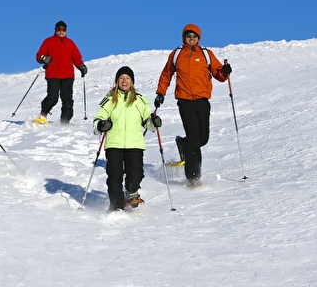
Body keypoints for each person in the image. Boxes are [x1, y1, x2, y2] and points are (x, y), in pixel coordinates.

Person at [154, 24, 232, 186]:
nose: (191, 38)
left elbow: (218, 73)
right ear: (184, 37)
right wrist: (160, 93)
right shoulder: (177, 55)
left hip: (202, 100)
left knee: (203, 138)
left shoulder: (206, 54)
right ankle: (193, 176)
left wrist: (224, 71)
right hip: (185, 101)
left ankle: (183, 143)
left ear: (199, 38)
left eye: (194, 36)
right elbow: (166, 74)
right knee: (195, 139)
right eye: (188, 36)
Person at [93, 66, 162, 212]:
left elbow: (147, 122)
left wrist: (153, 123)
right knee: (114, 177)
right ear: (117, 81)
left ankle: (131, 191)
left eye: (127, 78)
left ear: (132, 81)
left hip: (134, 143)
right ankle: (116, 206)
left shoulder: (140, 100)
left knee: (136, 173)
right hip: (114, 144)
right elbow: (97, 120)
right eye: (121, 78)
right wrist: (101, 125)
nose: (124, 81)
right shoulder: (110, 100)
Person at [36, 20, 87, 124]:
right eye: (59, 29)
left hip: (67, 75)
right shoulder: (48, 41)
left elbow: (76, 58)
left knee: (67, 99)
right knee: (53, 97)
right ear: (55, 30)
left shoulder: (70, 43)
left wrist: (81, 66)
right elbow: (39, 55)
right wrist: (43, 58)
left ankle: (65, 121)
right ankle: (43, 115)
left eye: (63, 29)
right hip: (53, 74)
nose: (61, 31)